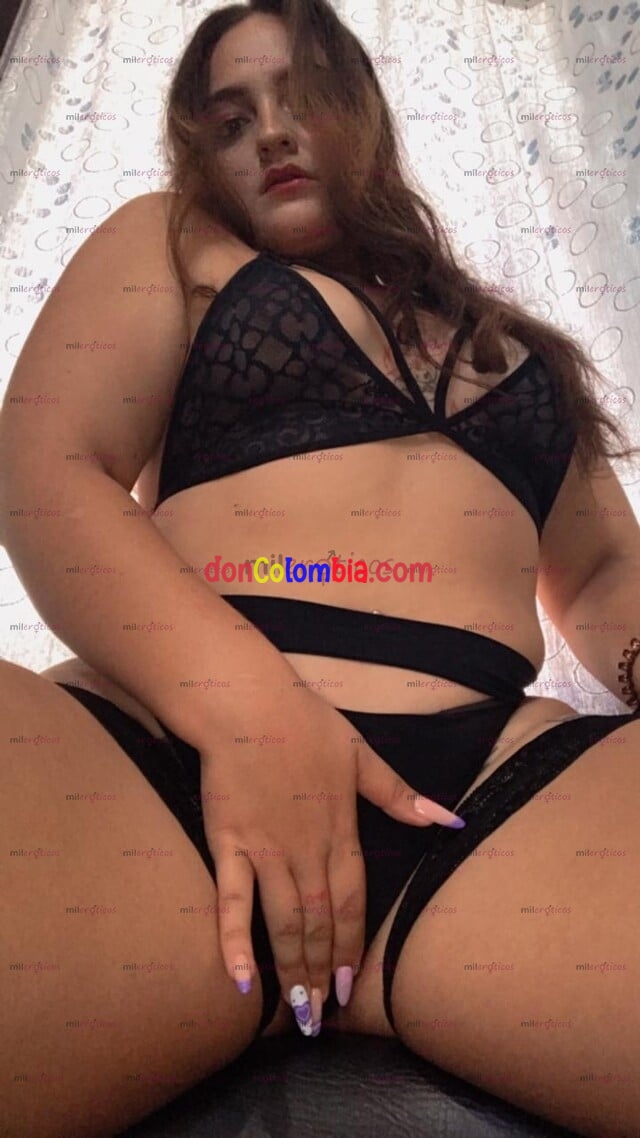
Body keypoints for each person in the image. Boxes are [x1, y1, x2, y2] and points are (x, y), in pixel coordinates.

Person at [1, 0, 639, 1135]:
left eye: (300, 99)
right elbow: (46, 468)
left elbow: (598, 575)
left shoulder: (514, 345)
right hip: (159, 768)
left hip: (487, 801)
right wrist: (254, 715)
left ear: (364, 114)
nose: (271, 134)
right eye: (231, 119)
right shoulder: (173, 246)